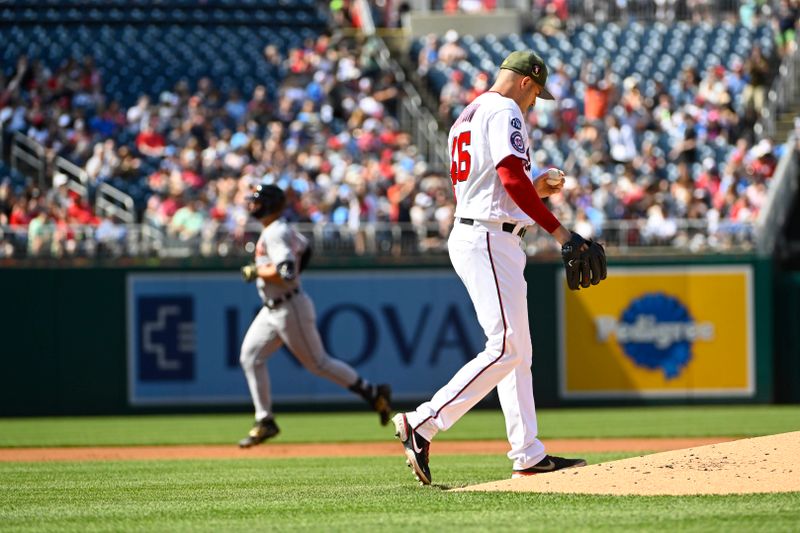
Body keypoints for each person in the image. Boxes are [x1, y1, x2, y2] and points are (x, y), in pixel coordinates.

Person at [392, 50, 606, 485]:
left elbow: (496, 184)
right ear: (527, 81)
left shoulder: (468, 114)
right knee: (507, 347)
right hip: (490, 237)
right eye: (535, 95)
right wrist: (563, 233)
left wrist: (535, 189)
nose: (533, 104)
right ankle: (423, 422)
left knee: (517, 353)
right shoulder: (506, 108)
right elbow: (507, 179)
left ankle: (528, 453)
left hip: (484, 230)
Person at [237, 184, 392, 447]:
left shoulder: (276, 232)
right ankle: (265, 420)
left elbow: (287, 273)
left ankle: (373, 392)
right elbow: (305, 249)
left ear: (271, 204)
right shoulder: (278, 229)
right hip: (272, 308)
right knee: (250, 358)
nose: (253, 204)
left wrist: (256, 271)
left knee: (318, 364)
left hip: (289, 306)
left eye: (258, 200)